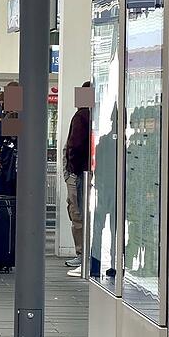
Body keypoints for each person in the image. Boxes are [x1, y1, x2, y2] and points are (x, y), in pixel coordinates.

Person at [64, 82, 91, 276]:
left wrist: (70, 171)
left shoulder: (81, 116)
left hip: (80, 173)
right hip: (89, 171)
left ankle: (82, 255)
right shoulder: (95, 115)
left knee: (77, 212)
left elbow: (74, 146)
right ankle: (86, 255)